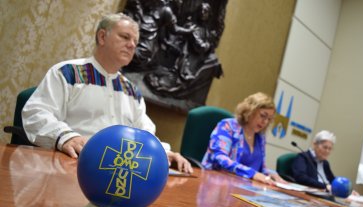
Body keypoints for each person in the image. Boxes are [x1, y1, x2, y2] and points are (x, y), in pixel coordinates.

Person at [21, 13, 192, 174]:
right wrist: (65, 138)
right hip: (69, 166)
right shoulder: (67, 73)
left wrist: (163, 153)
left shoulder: (132, 91)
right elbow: (36, 113)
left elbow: (144, 132)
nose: (132, 45)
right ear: (102, 37)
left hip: (115, 174)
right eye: (125, 37)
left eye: (135, 41)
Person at [201, 92, 287, 185]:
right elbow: (220, 158)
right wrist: (252, 174)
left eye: (269, 119)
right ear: (249, 111)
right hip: (219, 185)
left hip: (248, 188)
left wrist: (273, 174)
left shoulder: (260, 137)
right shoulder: (228, 126)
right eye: (263, 116)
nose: (265, 122)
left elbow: (261, 168)